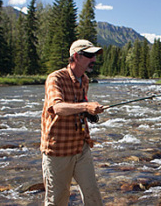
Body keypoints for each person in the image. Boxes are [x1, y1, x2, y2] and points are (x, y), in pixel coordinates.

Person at [40, 39, 104, 205]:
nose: (94, 60)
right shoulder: (55, 78)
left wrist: (89, 112)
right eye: (90, 55)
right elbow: (57, 108)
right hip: (58, 150)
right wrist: (85, 106)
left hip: (81, 146)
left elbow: (78, 108)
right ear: (76, 56)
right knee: (57, 200)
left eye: (95, 55)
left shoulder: (85, 80)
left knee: (93, 196)